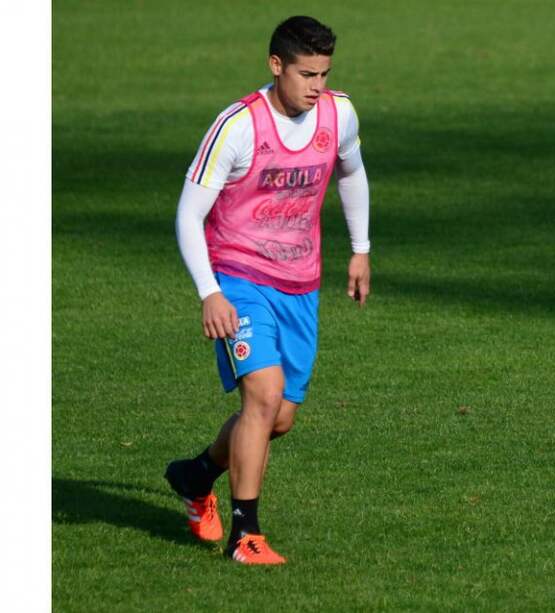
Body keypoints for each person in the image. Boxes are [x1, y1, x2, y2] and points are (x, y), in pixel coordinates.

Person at [164, 15, 370, 565]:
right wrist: (210, 291)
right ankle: (245, 535)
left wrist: (361, 249)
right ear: (275, 65)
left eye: (324, 74)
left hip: (300, 284)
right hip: (239, 278)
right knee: (262, 394)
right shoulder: (237, 126)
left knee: (278, 416)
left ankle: (196, 474)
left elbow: (351, 173)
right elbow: (189, 215)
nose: (316, 86)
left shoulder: (338, 113)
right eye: (306, 74)